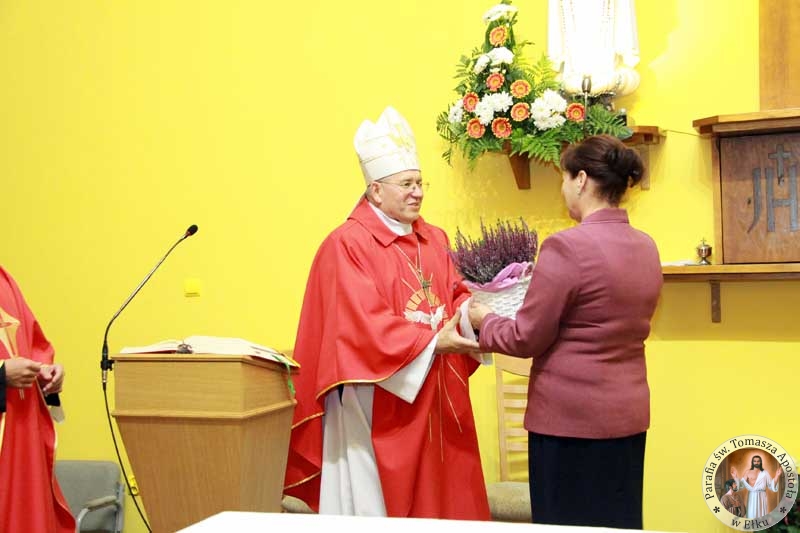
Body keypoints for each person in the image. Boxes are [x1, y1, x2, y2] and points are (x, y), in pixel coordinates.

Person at [282, 106, 489, 519]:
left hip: (438, 394)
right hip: (377, 398)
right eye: (406, 184)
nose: (418, 193)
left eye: (420, 183)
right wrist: (434, 341)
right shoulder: (347, 244)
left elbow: (455, 293)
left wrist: (476, 313)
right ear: (375, 191)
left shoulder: (434, 238)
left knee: (447, 495)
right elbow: (361, 326)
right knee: (378, 508)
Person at [469, 134, 662, 528]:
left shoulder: (566, 247)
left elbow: (526, 337)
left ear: (581, 180)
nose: (563, 188)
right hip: (627, 416)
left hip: (570, 424)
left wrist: (484, 319)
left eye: (564, 178)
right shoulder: (646, 246)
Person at [0, 266, 75, 532]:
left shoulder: (4, 280)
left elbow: (31, 347)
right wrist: (1, 375)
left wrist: (43, 373)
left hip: (21, 440)